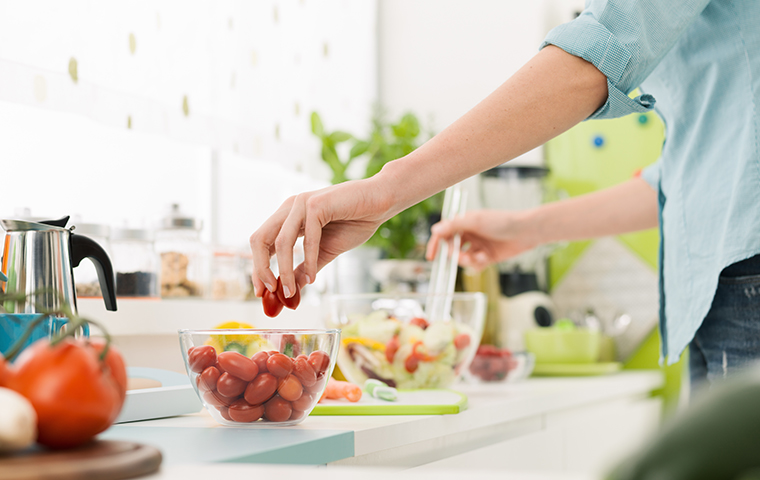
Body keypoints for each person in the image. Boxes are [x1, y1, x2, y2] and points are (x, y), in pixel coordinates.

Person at [250, 0, 760, 389]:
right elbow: (697, 183)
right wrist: (523, 229)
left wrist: (385, 191)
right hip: (722, 292)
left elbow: (604, 50)